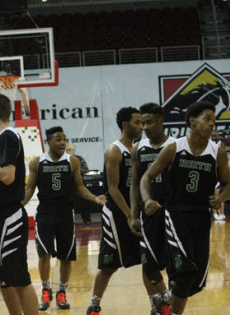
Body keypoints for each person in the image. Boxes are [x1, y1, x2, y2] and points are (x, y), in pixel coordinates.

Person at [140, 101, 230, 315]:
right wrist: (146, 200)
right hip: (176, 216)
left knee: (195, 281)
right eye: (207, 119)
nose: (211, 124)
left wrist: (221, 198)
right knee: (185, 272)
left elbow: (227, 184)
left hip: (201, 218)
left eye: (214, 120)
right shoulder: (175, 148)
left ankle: (166, 302)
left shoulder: (217, 152)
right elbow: (147, 177)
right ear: (192, 121)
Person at [23, 127, 106, 312]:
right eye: (58, 139)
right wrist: (19, 204)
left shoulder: (72, 161)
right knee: (44, 253)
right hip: (45, 212)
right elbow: (29, 189)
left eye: (64, 139)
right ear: (48, 142)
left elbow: (79, 187)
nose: (62, 143)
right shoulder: (38, 162)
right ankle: (46, 290)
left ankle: (62, 291)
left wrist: (94, 198)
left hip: (65, 213)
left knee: (65, 256)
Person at [0, 93, 39, 315]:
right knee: (1, 277)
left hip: (9, 216)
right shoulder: (0, 139)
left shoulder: (8, 136)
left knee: (18, 277)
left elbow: (8, 176)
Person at [86, 107, 142, 315]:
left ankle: (159, 304)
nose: (141, 126)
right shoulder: (115, 150)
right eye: (137, 122)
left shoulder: (139, 149)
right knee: (109, 265)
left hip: (136, 209)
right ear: (125, 125)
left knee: (150, 259)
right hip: (118, 212)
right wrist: (129, 214)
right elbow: (112, 187)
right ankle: (94, 305)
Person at [129, 103, 175, 315]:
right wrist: (132, 214)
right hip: (148, 215)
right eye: (142, 123)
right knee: (149, 265)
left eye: (149, 122)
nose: (145, 127)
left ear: (161, 122)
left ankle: (170, 306)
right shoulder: (138, 148)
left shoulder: (176, 146)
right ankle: (163, 303)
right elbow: (135, 183)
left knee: (175, 266)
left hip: (174, 215)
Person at [66, 143, 92, 225]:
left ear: (74, 150)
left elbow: (86, 169)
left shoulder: (79, 158)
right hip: (67, 184)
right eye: (68, 149)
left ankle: (87, 219)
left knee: (84, 203)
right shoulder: (62, 159)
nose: (69, 151)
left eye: (71, 149)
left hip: (79, 182)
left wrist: (76, 171)